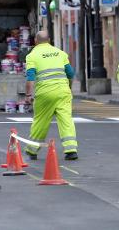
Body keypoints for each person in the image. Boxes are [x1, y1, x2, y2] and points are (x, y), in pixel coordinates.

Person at [24, 31, 78, 160]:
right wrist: (69, 88)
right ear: (49, 40)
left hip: (45, 93)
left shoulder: (32, 56)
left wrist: (28, 95)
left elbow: (30, 77)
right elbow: (70, 73)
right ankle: (71, 149)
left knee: (40, 121)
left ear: (36, 41)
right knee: (66, 120)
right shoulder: (60, 53)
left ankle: (32, 150)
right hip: (63, 91)